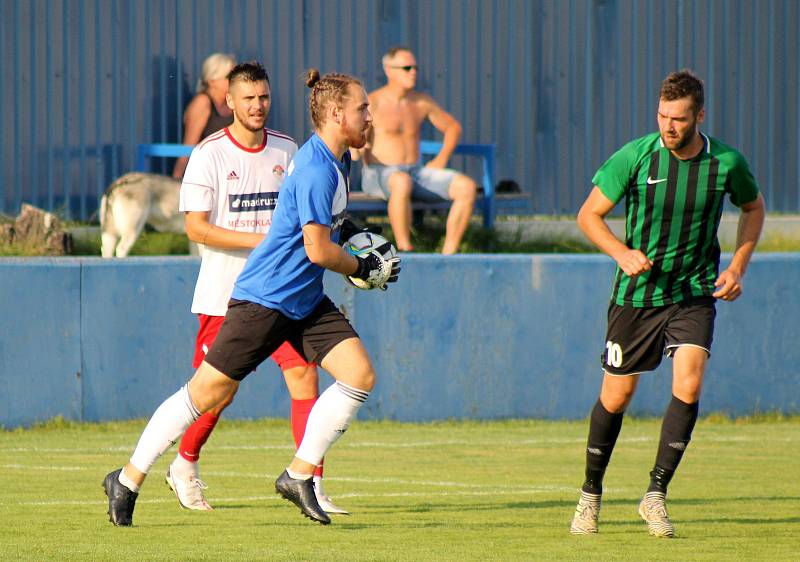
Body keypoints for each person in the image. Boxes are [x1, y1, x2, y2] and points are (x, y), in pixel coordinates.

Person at [103, 68, 400, 527]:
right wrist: (361, 267)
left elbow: (329, 226)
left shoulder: (333, 160)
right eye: (362, 108)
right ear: (337, 114)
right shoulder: (319, 167)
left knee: (359, 374)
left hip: (303, 301)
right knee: (206, 393)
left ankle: (298, 475)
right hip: (266, 298)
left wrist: (362, 239)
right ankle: (127, 479)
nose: (369, 116)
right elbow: (317, 249)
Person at [568, 70, 765, 538]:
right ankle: (590, 494)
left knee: (690, 384)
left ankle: (655, 495)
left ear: (700, 115)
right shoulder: (636, 156)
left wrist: (737, 267)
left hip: (693, 293)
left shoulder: (726, 163)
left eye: (678, 118)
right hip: (636, 297)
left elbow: (753, 207)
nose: (668, 126)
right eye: (662, 116)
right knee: (617, 396)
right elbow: (588, 215)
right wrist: (621, 252)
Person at [165, 61, 346, 515]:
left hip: (285, 291)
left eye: (263, 97)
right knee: (216, 392)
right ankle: (183, 464)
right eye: (247, 98)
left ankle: (310, 480)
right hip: (226, 293)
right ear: (228, 101)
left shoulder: (288, 149)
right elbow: (196, 229)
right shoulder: (210, 153)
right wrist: (264, 240)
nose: (257, 105)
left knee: (306, 377)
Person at [356, 46, 477, 254]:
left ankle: (449, 254)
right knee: (401, 181)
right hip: (380, 172)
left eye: (415, 68)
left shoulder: (421, 102)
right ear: (388, 70)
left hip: (415, 172)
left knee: (467, 187)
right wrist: (358, 146)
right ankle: (405, 250)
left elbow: (453, 128)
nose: (413, 72)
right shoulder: (373, 102)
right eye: (407, 67)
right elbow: (355, 139)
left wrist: (441, 159)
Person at [172, 53, 236, 178]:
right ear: (212, 81)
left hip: (228, 173)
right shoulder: (202, 103)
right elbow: (188, 148)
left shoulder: (232, 103)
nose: (235, 80)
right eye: (230, 76)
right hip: (206, 174)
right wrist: (177, 182)